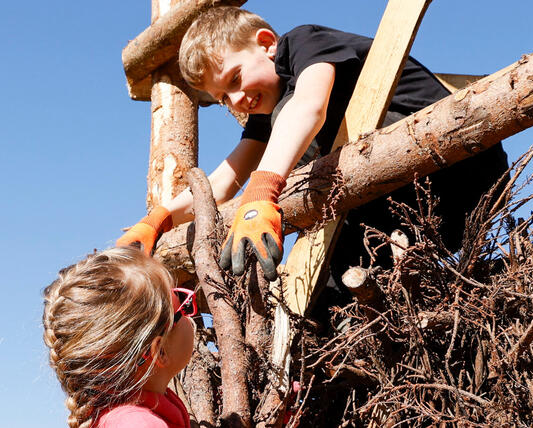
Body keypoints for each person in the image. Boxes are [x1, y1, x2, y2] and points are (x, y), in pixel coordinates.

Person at [117, 6, 508, 284]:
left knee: (291, 126)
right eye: (221, 98)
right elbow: (226, 178)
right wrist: (160, 218)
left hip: (461, 164)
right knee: (331, 283)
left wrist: (263, 191)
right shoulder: (268, 118)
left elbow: (309, 106)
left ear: (267, 43)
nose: (234, 100)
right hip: (421, 212)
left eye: (234, 78)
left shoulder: (302, 44)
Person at [42, 247, 196, 428]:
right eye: (184, 305)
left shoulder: (122, 415)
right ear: (159, 351)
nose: (191, 316)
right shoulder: (139, 424)